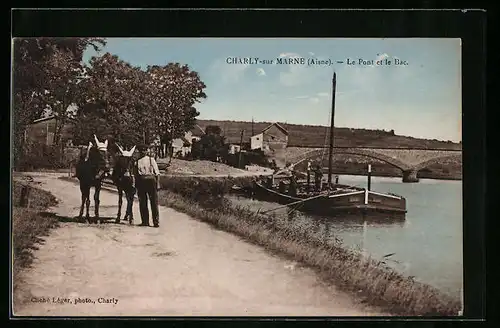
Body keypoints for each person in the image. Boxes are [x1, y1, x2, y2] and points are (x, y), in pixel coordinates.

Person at [133, 144, 161, 227]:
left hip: (151, 181)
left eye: (144, 150)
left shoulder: (151, 159)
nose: (143, 152)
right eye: (141, 150)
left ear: (146, 151)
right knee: (143, 202)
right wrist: (135, 184)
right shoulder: (137, 161)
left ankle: (156, 221)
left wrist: (158, 184)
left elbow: (157, 173)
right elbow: (135, 174)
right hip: (141, 182)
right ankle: (145, 221)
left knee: (154, 202)